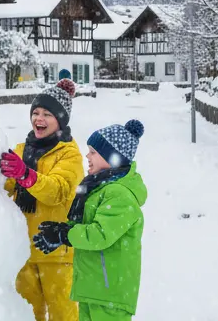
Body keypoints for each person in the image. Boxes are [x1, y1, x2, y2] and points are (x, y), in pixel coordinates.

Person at [31, 119, 147, 321]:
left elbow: (99, 235)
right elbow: (85, 227)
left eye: (93, 152)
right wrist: (61, 232)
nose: (88, 156)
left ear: (113, 157)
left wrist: (65, 235)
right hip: (92, 288)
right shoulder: (98, 188)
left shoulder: (120, 194)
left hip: (109, 293)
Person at [0, 79, 85, 321]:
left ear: (61, 120)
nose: (39, 118)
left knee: (63, 315)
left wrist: (25, 175)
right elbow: (0, 186)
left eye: (47, 114)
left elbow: (56, 191)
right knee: (26, 315)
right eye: (35, 112)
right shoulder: (19, 150)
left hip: (56, 251)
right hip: (23, 251)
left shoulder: (70, 155)